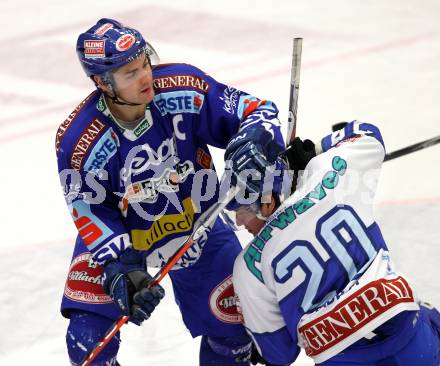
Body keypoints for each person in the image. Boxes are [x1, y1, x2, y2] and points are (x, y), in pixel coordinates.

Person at [55, 18, 285, 366]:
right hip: (122, 236)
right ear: (103, 82)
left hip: (195, 225)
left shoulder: (183, 87)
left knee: (234, 338)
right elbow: (89, 209)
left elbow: (257, 111)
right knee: (88, 345)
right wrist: (118, 267)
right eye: (130, 73)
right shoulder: (79, 140)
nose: (145, 75)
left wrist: (256, 137)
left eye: (144, 62)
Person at [232, 121, 440, 365]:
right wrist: (314, 152)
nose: (239, 219)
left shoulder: (247, 267)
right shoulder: (329, 175)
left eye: (243, 209)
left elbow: (280, 355)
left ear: (268, 202)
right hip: (414, 341)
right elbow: (367, 132)